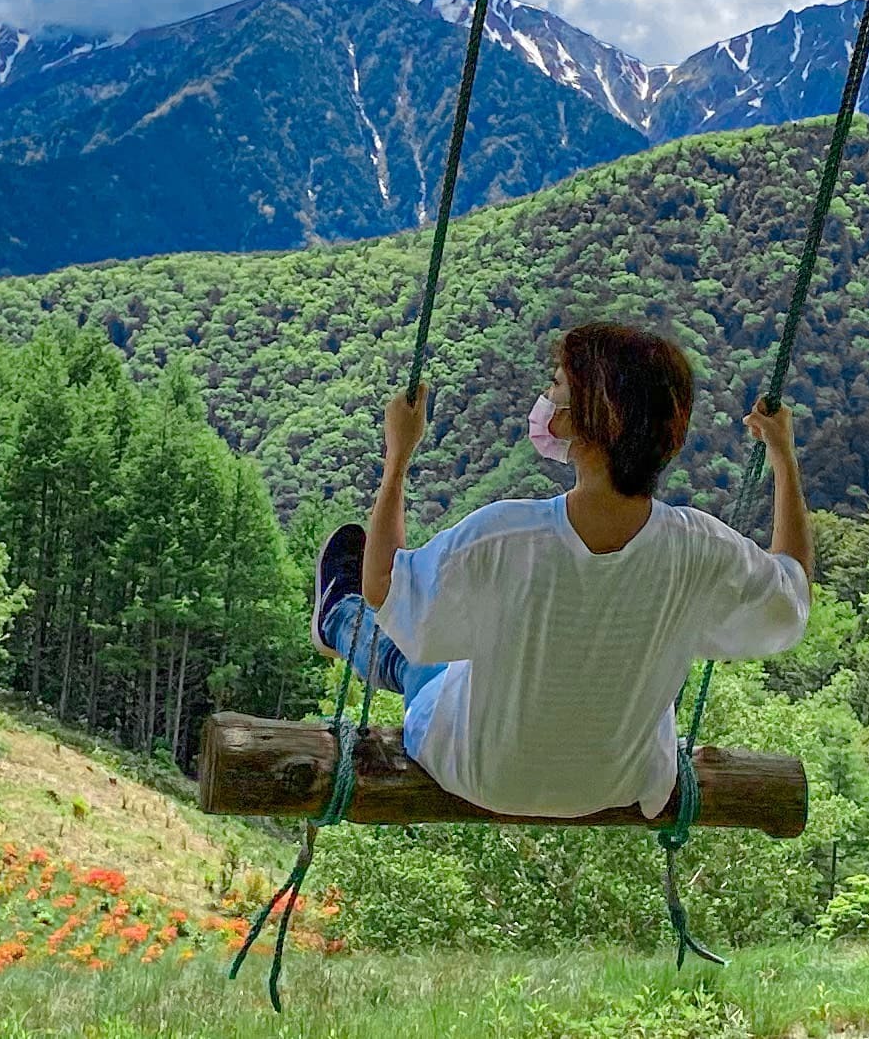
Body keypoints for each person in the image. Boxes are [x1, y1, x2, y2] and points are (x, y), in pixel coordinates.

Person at [308, 322, 814, 821]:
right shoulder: (704, 550)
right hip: (617, 782)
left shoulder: (503, 536)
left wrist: (398, 456)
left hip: (477, 772)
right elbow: (792, 595)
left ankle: (337, 616)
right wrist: (783, 456)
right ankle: (342, 621)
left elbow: (383, 587)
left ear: (587, 418)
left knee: (422, 657)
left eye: (556, 386)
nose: (546, 398)